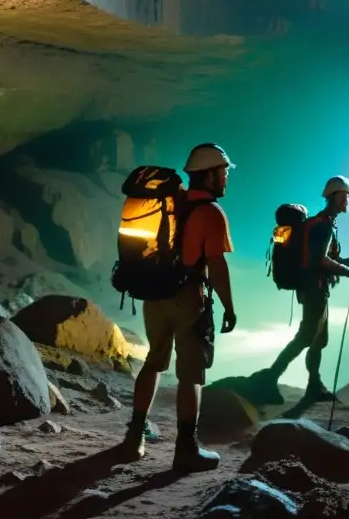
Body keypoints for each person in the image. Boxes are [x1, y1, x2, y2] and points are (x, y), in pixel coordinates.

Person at [120, 143, 238, 470]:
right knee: (191, 375)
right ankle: (186, 449)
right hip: (188, 298)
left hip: (154, 295)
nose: (226, 178)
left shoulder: (172, 203)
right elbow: (217, 266)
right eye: (224, 172)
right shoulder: (212, 214)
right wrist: (229, 307)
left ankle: (134, 438)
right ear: (210, 174)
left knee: (153, 362)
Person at [255, 175, 349, 403]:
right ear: (335, 197)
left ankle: (314, 385)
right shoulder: (323, 227)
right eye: (345, 196)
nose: (348, 200)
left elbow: (334, 259)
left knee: (318, 340)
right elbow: (321, 261)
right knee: (306, 337)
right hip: (314, 290)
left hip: (315, 289)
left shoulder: (322, 224)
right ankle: (269, 378)